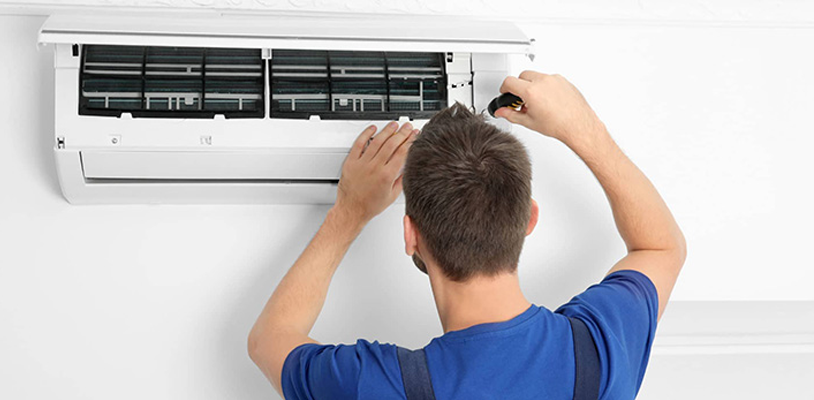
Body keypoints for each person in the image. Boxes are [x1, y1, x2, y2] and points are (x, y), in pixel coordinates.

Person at [248, 71, 686, 399]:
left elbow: (271, 338)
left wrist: (350, 212)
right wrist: (579, 125)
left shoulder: (373, 384)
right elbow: (660, 245)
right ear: (529, 218)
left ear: (410, 235)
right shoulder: (600, 351)